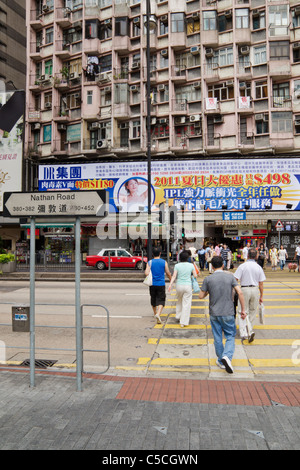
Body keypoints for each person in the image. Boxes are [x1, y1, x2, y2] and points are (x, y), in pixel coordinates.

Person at [199, 256, 246, 374]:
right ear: (223, 265)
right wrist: (243, 309)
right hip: (228, 312)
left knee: (217, 337)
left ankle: (221, 360)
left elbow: (200, 296)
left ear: (212, 266)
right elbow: (239, 292)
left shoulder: (208, 279)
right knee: (230, 336)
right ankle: (227, 356)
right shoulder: (230, 277)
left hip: (214, 313)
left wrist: (210, 291)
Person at [234, 248, 266, 342]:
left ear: (247, 255)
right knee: (252, 311)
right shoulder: (258, 267)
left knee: (242, 311)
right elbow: (261, 283)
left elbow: (235, 280)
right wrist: (261, 296)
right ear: (256, 256)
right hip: (255, 290)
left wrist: (237, 291)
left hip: (244, 289)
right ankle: (250, 330)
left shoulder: (242, 266)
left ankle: (243, 332)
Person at [168, 250, 198, 327]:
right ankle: (183, 322)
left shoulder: (177, 265)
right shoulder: (191, 265)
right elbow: (195, 275)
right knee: (186, 304)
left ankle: (178, 316)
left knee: (179, 301)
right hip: (188, 285)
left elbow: (174, 276)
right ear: (187, 258)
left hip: (179, 286)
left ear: (180, 258)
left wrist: (170, 285)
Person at [144, 247, 172, 324]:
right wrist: (171, 280)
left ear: (152, 254)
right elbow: (168, 273)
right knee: (161, 299)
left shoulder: (150, 262)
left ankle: (155, 313)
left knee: (153, 298)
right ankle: (158, 314)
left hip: (152, 284)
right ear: (160, 253)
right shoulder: (164, 262)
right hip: (161, 284)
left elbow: (146, 273)